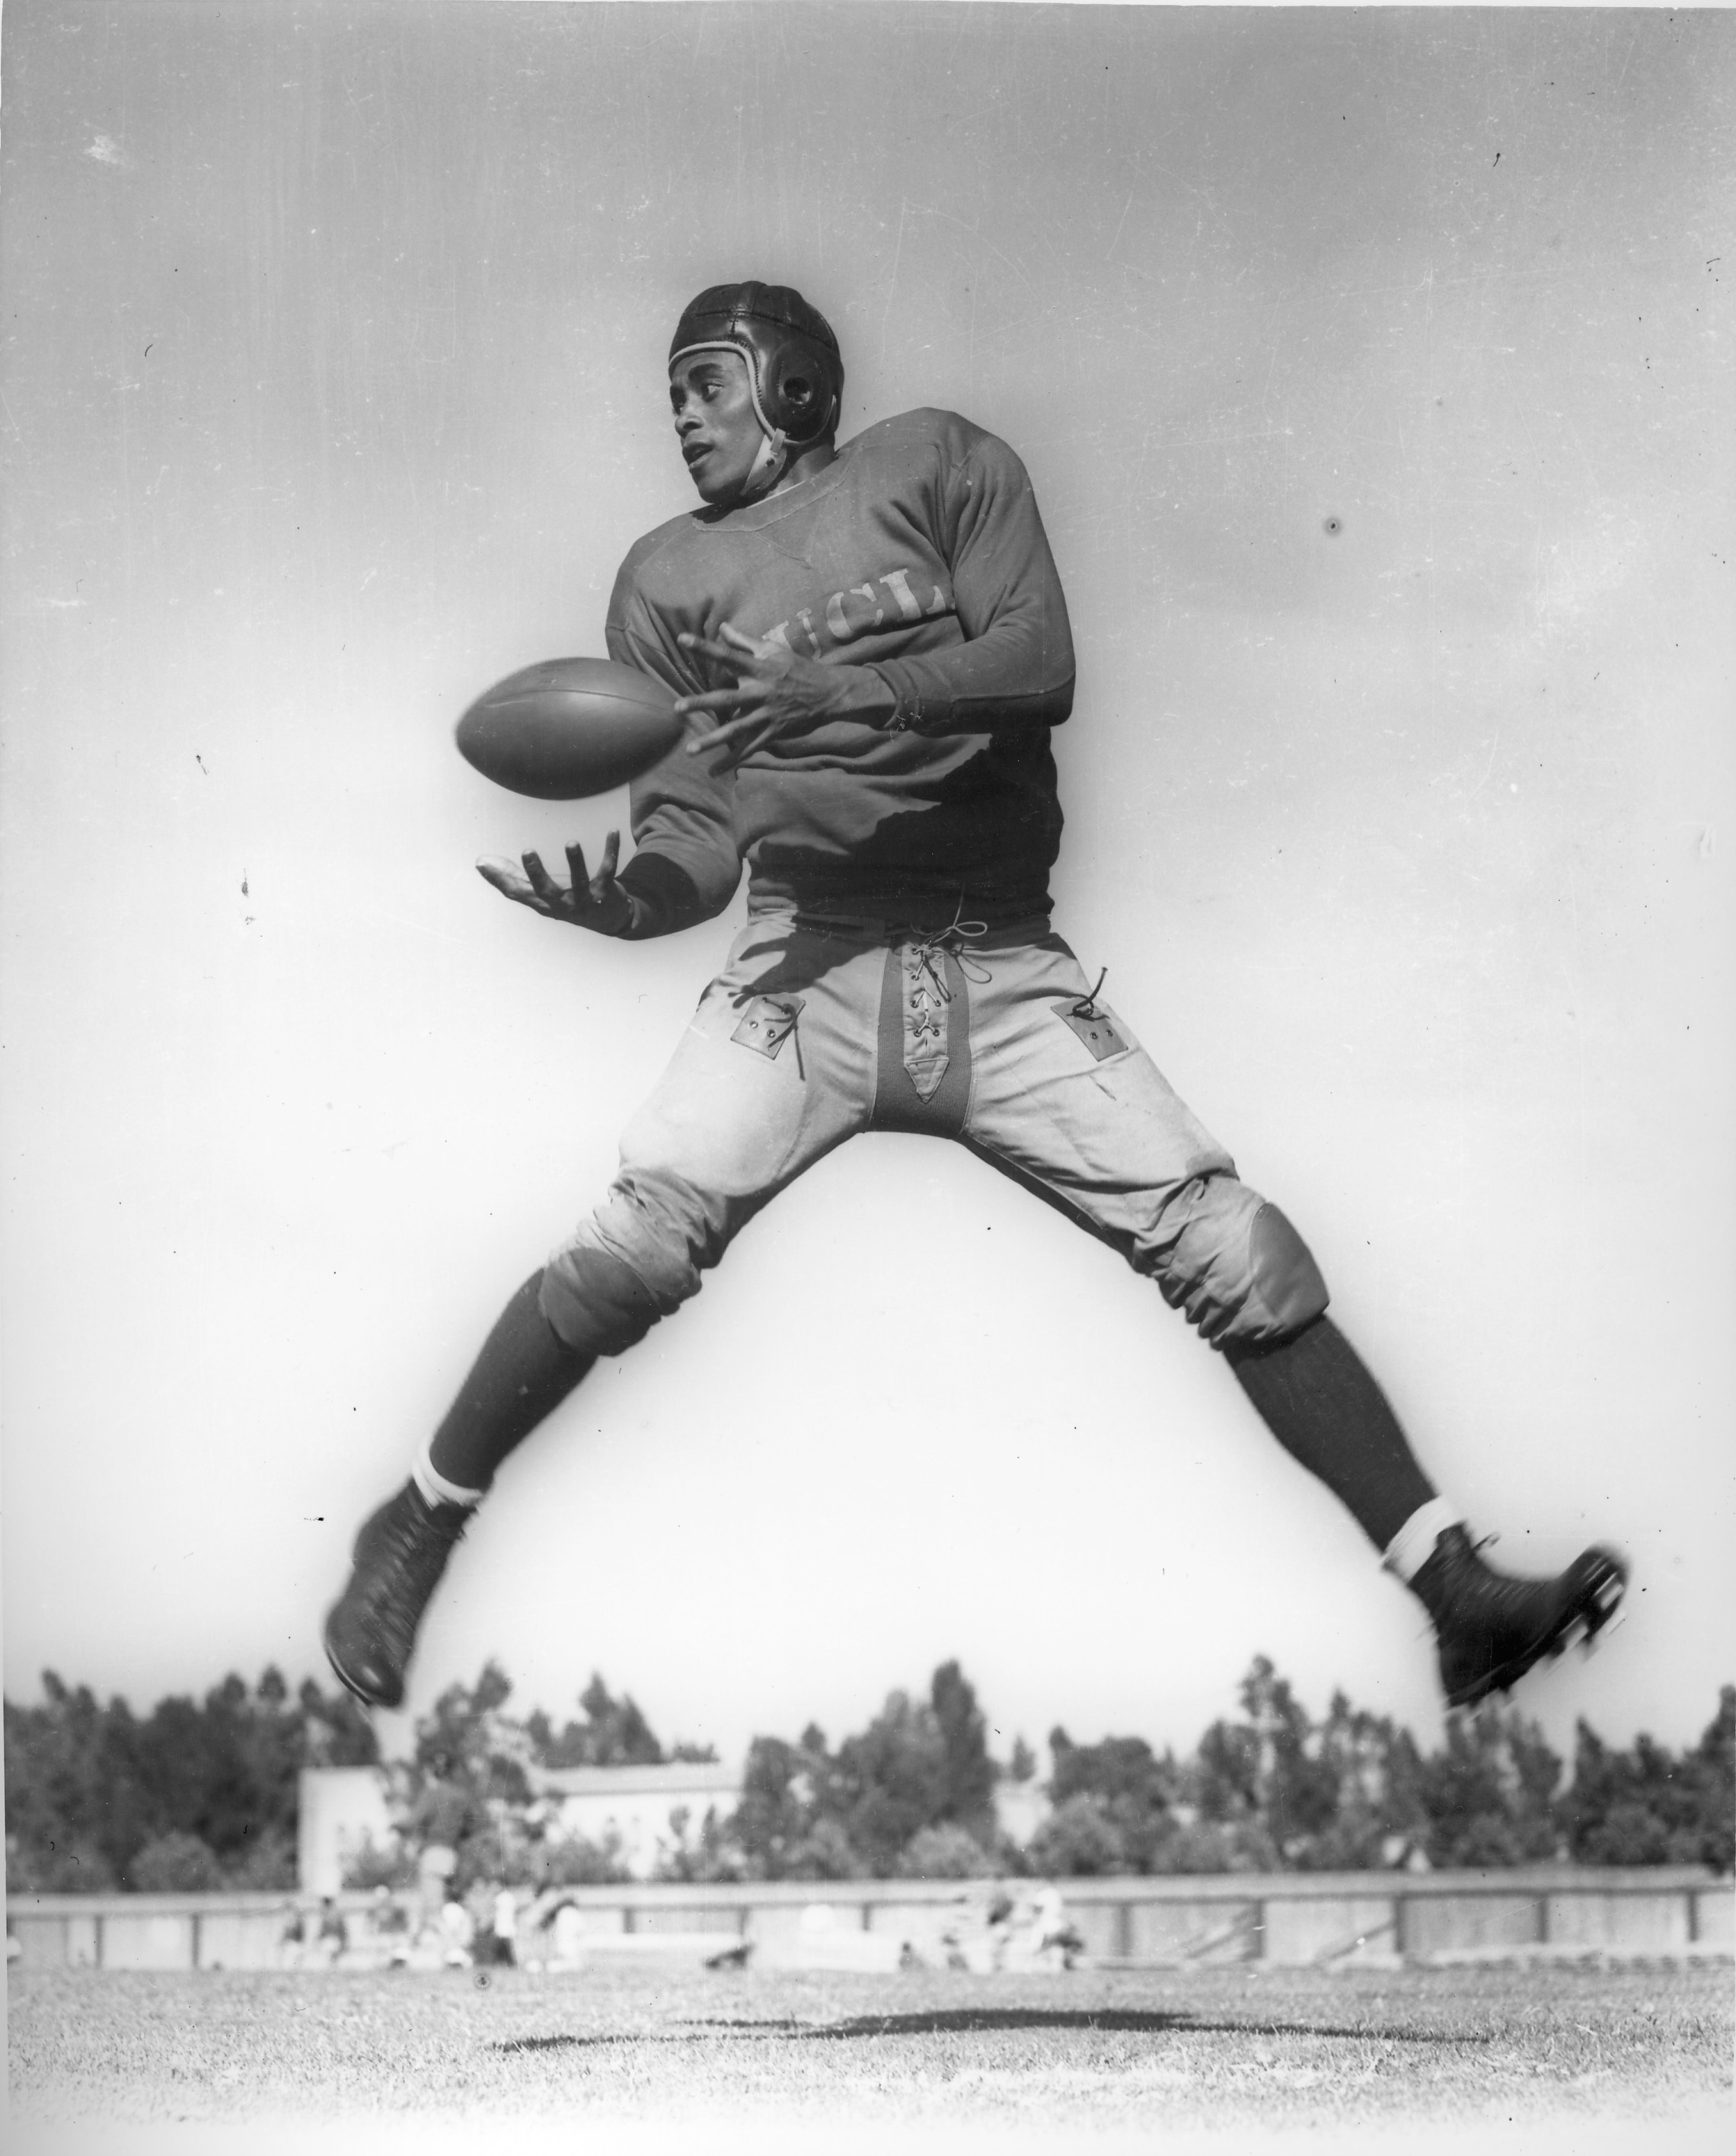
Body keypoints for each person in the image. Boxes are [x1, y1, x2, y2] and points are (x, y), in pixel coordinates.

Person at [324, 279, 1626, 1723]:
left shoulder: (938, 462)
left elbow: (1038, 661)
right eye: (672, 391)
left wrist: (855, 694)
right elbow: (692, 834)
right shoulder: (663, 583)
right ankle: (418, 1525)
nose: (680, 412)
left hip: (999, 959)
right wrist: (631, 901)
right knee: (629, 1252)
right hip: (803, 966)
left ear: (796, 385)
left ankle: (1456, 1600)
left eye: (707, 379)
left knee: (1237, 1251)